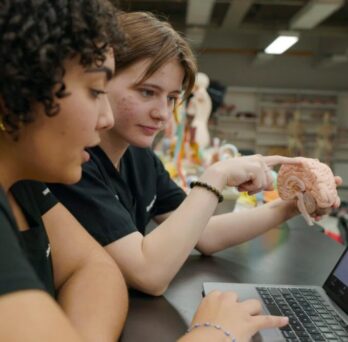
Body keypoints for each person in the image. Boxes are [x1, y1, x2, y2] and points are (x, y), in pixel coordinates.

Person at [50, 11, 341, 298]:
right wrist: (217, 175)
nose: (163, 113)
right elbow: (149, 274)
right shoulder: (74, 164)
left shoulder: (140, 158)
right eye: (147, 92)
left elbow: (206, 234)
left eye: (172, 98)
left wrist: (292, 204)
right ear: (101, 82)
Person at [0, 1, 128, 340]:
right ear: (18, 86)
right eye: (96, 91)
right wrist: (214, 332)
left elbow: (94, 268)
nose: (108, 119)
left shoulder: (23, 182)